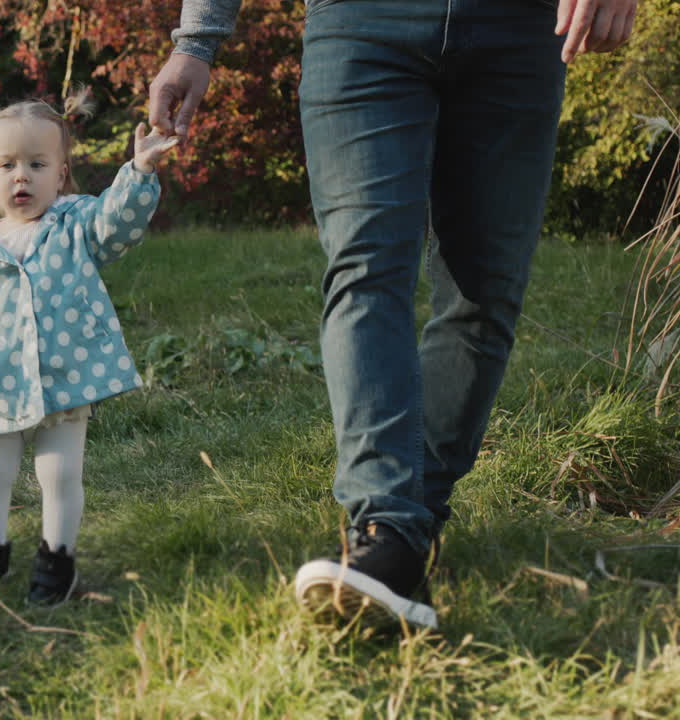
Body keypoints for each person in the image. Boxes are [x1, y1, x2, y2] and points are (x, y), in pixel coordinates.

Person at [149, 0, 638, 630]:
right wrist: (196, 41)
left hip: (519, 26)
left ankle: (403, 540)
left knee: (484, 290)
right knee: (366, 270)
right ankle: (385, 525)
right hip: (360, 24)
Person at [0, 89, 179, 605]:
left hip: (66, 379)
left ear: (60, 175)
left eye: (37, 165)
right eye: (8, 165)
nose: (22, 177)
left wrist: (139, 171)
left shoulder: (74, 223)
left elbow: (116, 223)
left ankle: (57, 563)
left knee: (59, 475)